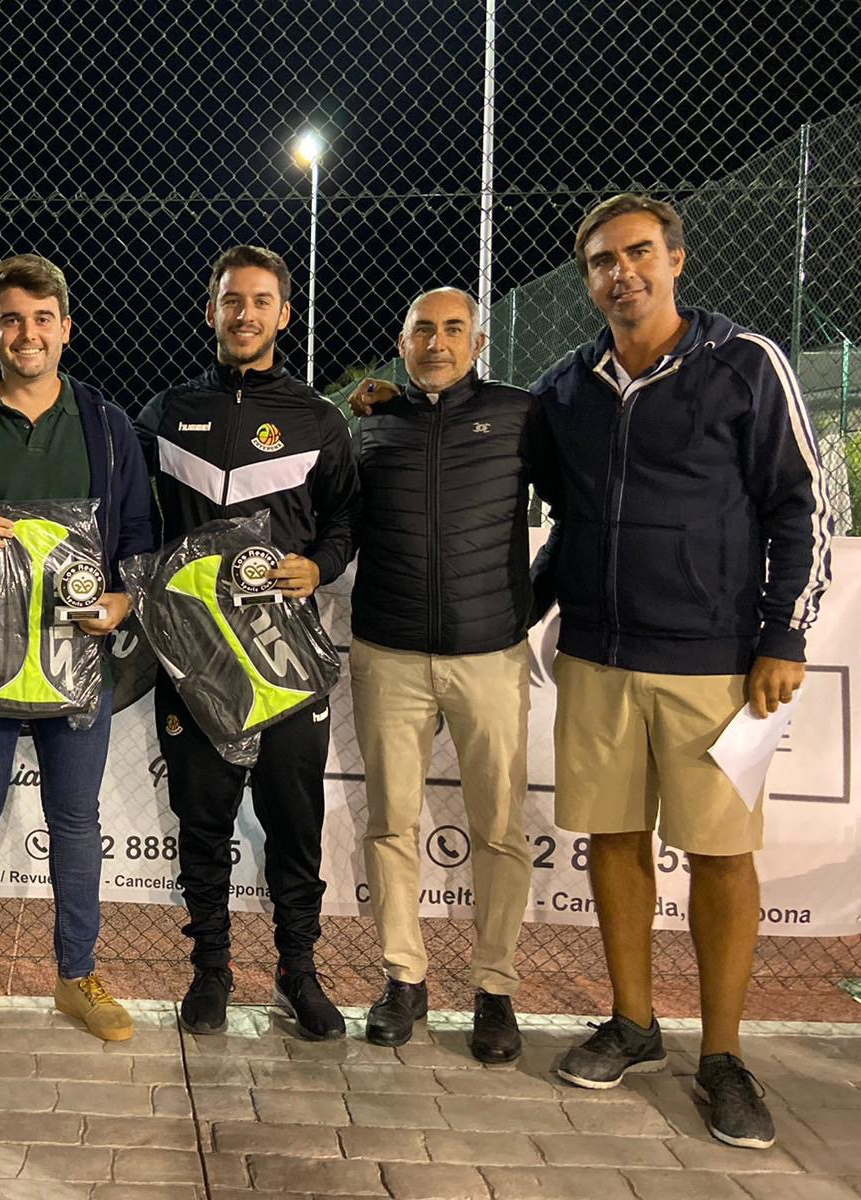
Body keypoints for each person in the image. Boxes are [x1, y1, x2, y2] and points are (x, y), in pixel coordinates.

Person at [531, 195, 830, 1149]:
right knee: (614, 839)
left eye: (638, 253)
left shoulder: (747, 363)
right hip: (597, 656)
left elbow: (801, 506)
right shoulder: (566, 386)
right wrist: (523, 610)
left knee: (721, 855)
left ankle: (724, 1057)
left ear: (675, 260)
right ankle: (633, 1023)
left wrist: (784, 635)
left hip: (715, 664)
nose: (622, 272)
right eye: (602, 260)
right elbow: (561, 516)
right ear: (587, 277)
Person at [0, 254, 157, 1052]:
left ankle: (76, 975)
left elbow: (137, 534)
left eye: (42, 319)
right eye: (11, 319)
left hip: (77, 657)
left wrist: (122, 598)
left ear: (66, 328)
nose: (28, 333)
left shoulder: (108, 423)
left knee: (77, 821)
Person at [135, 245, 359, 1039]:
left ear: (284, 314)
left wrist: (319, 565)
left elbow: (346, 521)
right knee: (203, 819)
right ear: (212, 311)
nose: (246, 314)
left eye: (261, 301)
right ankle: (211, 972)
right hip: (195, 663)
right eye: (232, 300)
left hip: (284, 660)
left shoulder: (318, 419)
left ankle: (298, 973)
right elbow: (131, 516)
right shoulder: (166, 413)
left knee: (294, 822)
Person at [350, 287, 552, 1061]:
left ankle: (494, 989)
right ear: (402, 342)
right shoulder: (372, 424)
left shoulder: (519, 415)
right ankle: (404, 979)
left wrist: (529, 603)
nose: (438, 343)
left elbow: (575, 512)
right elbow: (339, 519)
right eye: (423, 330)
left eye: (453, 329)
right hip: (389, 654)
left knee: (498, 830)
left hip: (489, 656)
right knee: (390, 823)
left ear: (478, 342)